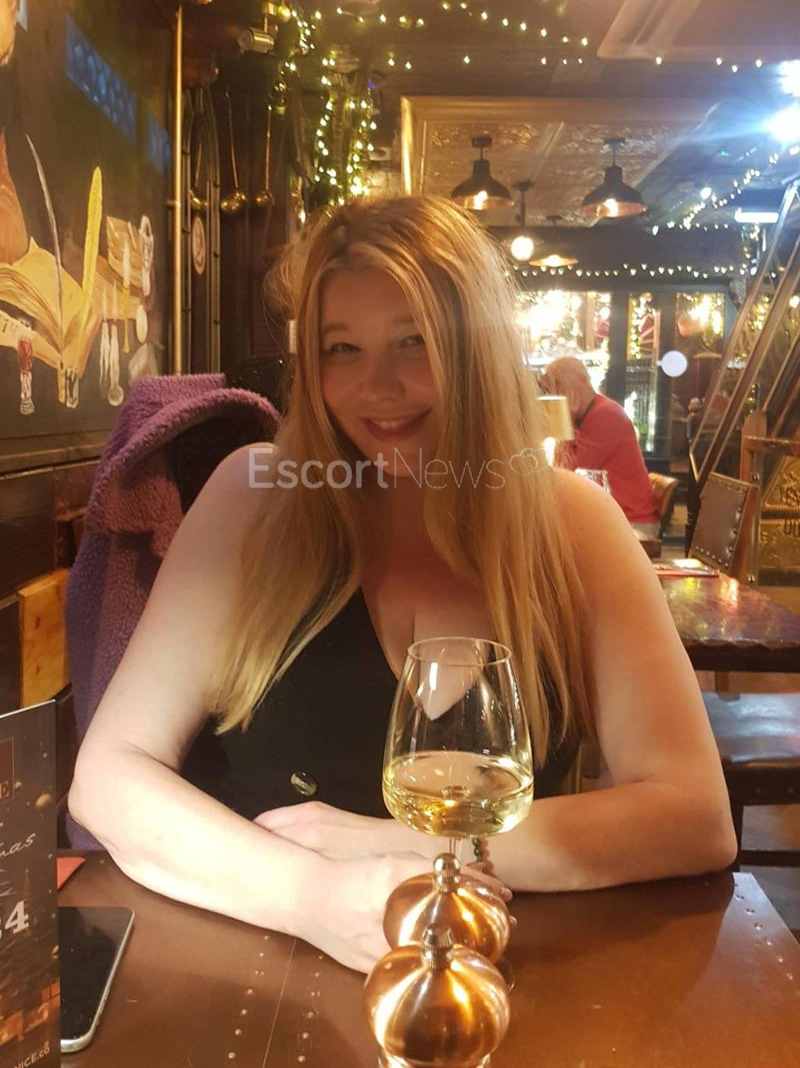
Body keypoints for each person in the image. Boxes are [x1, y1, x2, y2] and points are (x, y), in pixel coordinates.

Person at [69, 197, 735, 974]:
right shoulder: (255, 499)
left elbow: (695, 817)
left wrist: (409, 846)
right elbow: (108, 777)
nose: (377, 387)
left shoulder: (573, 524)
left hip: (503, 975)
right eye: (342, 349)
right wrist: (312, 897)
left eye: (413, 341)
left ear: (478, 349)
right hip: (253, 977)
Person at [541, 356, 660, 537]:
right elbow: (559, 469)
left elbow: (572, 475)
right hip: (608, 516)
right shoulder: (582, 416)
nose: (554, 392)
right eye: (549, 386)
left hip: (631, 522)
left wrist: (565, 419)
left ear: (582, 380)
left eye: (558, 383)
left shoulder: (607, 415)